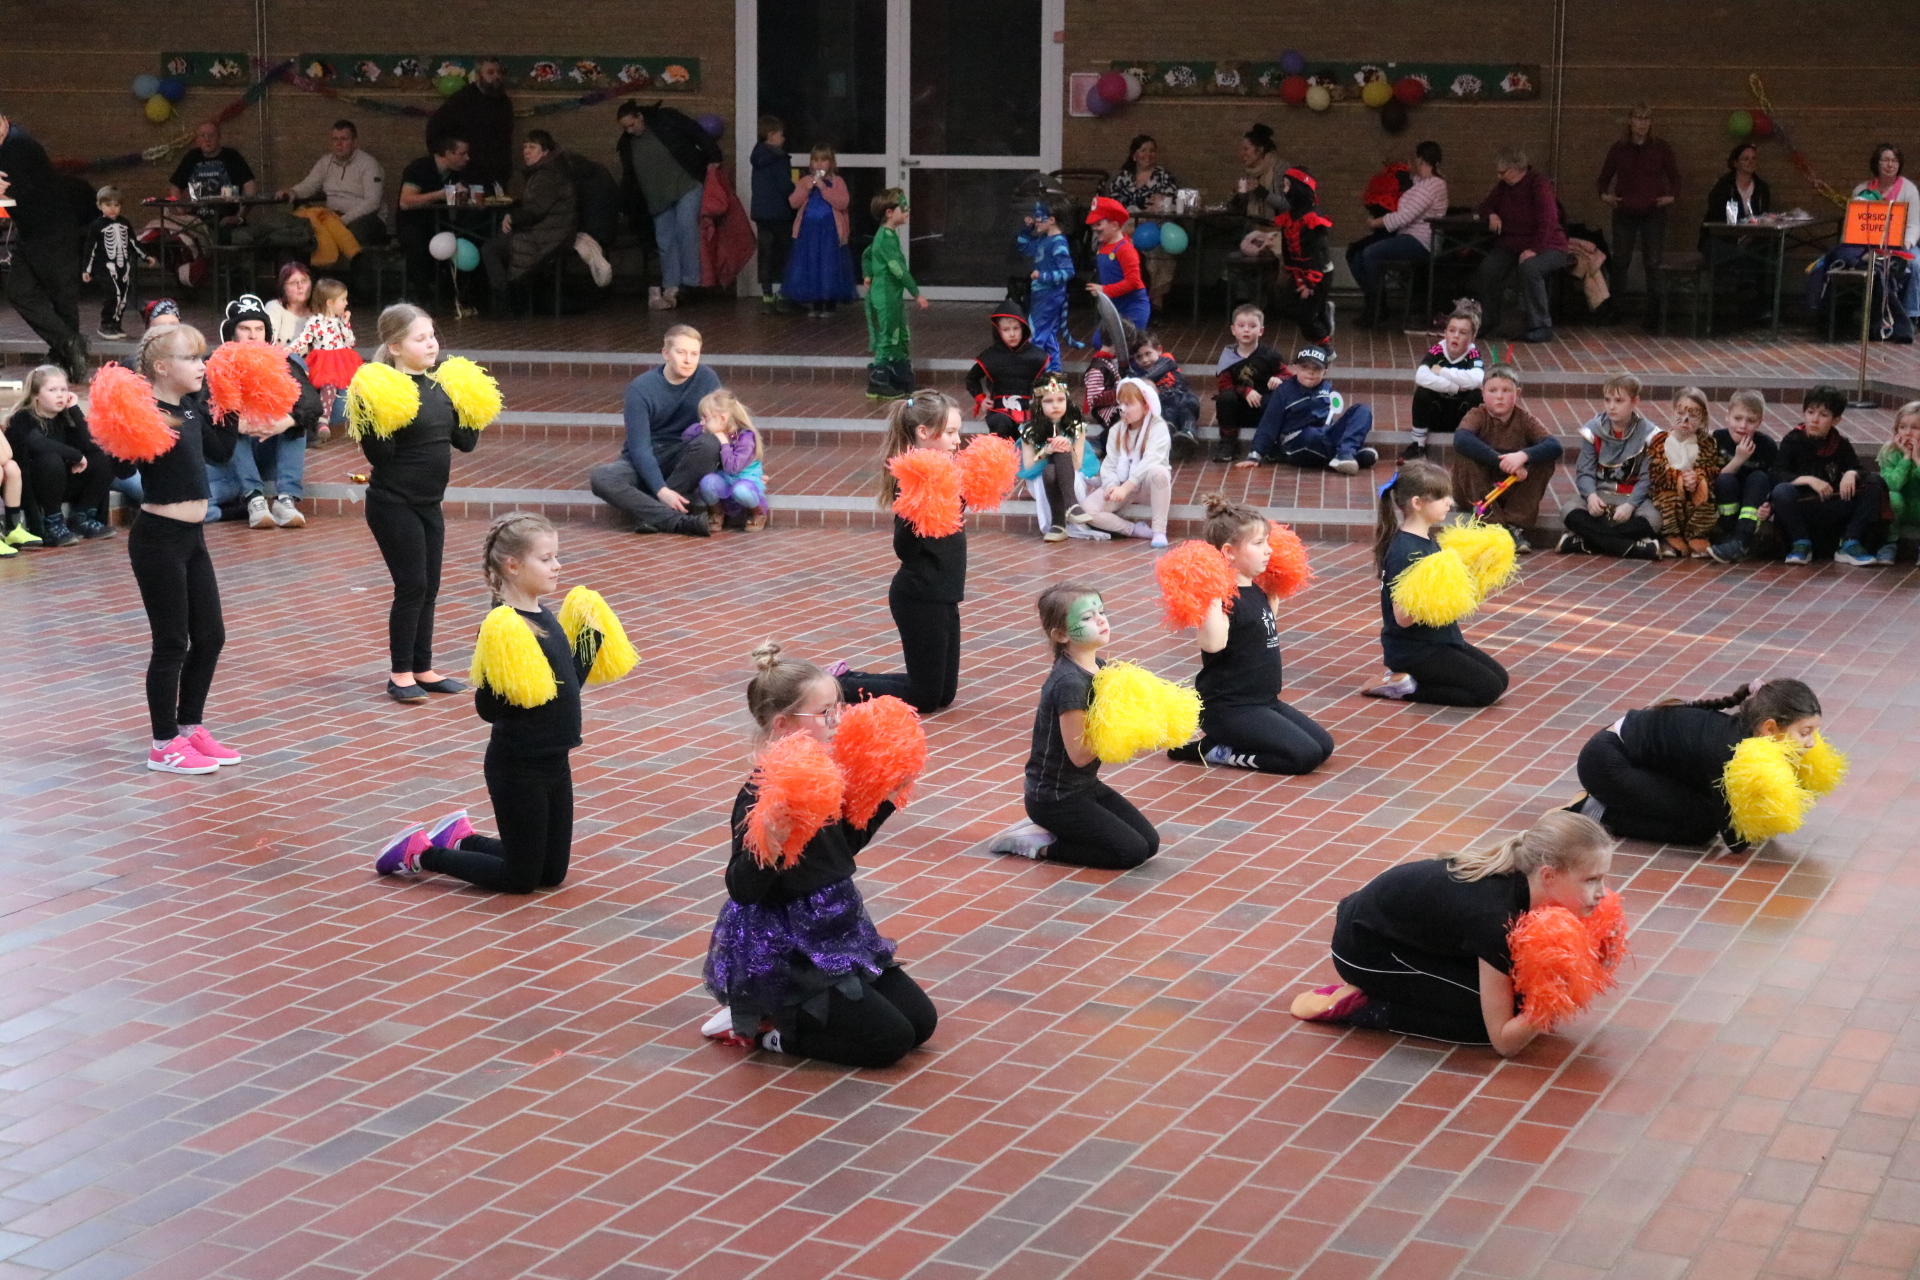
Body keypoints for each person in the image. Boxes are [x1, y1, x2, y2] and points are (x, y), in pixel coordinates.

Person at [699, 642, 938, 1067]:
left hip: (837, 925)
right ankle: (766, 1031)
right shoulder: (762, 793)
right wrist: (768, 846)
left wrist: (881, 799)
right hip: (789, 946)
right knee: (889, 1043)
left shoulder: (822, 775)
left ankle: (788, 1018)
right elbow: (742, 889)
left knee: (922, 1023)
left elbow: (839, 852)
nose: (837, 720)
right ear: (783, 725)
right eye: (825, 713)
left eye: (838, 708)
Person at [375, 513, 626, 893]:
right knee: (520, 878)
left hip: (555, 759)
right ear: (513, 564)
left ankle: (461, 837)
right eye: (546, 559)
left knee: (551, 874)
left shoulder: (543, 616)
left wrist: (590, 639)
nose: (557, 566)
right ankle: (421, 853)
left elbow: (566, 686)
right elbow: (488, 710)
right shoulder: (502, 626)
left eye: (556, 556)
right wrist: (509, 683)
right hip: (517, 765)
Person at [1289, 811, 1615, 1054]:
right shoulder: (1497, 919)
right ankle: (1367, 1007)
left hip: (1408, 933)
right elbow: (1505, 1042)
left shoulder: (1529, 887)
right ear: (1549, 876)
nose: (1602, 893)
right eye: (1591, 880)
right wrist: (1555, 994)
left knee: (1516, 1001)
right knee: (1485, 1026)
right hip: (1365, 949)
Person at [104, 326, 267, 772]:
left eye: (202, 358)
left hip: (194, 539)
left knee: (211, 636)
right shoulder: (147, 412)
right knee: (172, 641)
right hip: (157, 539)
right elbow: (116, 463)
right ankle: (162, 744)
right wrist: (120, 424)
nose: (201, 366)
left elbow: (219, 453)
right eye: (191, 359)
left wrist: (231, 404)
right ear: (161, 367)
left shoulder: (191, 409)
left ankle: (188, 728)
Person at [350, 304, 490, 702]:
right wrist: (373, 409)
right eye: (420, 338)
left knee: (430, 587)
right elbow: (380, 456)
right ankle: (399, 674)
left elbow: (465, 442)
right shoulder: (383, 388)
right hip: (392, 502)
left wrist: (473, 401)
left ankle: (423, 667)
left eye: (432, 335)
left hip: (429, 503)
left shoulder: (440, 387)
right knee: (411, 585)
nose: (431, 343)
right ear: (394, 346)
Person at [990, 583, 1161, 869]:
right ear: (1061, 634)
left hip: (1084, 787)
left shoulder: (1101, 669)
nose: (1100, 620)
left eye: (1101, 611)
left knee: (1149, 844)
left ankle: (1056, 832)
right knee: (1129, 852)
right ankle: (1038, 846)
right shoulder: (1070, 683)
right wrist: (1122, 726)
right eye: (1086, 617)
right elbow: (1080, 754)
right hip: (1054, 799)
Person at [1167, 496, 1334, 774]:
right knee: (1303, 757)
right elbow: (1212, 643)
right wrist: (1209, 586)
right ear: (1229, 552)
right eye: (1258, 544)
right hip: (1228, 710)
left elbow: (1262, 624)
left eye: (1268, 542)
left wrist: (1282, 573)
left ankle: (1223, 744)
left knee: (1323, 746)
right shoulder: (1220, 599)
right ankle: (1213, 750)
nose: (1268, 550)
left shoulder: (1257, 589)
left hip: (1264, 702)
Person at [1571, 678, 1826, 849]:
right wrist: (1778, 805)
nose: (1812, 743)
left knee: (1704, 803)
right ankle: (1595, 809)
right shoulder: (1731, 754)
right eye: (1804, 733)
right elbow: (1735, 840)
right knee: (1702, 826)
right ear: (1769, 729)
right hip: (1605, 764)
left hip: (1637, 759)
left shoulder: (1749, 738)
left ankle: (1619, 799)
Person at [837, 391, 968, 714]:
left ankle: (849, 677)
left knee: (942, 695)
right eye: (950, 433)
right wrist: (915, 511)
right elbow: (904, 550)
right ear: (924, 433)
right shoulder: (912, 481)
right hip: (920, 597)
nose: (958, 440)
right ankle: (838, 686)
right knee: (924, 698)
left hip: (945, 594)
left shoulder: (945, 475)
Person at [1365, 460, 1510, 707]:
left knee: (1500, 679)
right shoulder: (1405, 550)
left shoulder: (1426, 538)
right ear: (1417, 503)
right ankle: (1401, 688)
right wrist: (1437, 591)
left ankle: (1409, 680)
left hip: (1441, 639)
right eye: (1441, 497)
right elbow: (1402, 617)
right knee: (1486, 690)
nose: (1449, 503)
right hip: (1415, 650)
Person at [588, 325, 723, 537]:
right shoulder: (641, 389)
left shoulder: (707, 378)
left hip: (686, 455)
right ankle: (677, 521)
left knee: (709, 443)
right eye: (681, 352)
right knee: (601, 478)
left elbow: (727, 423)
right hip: (647, 457)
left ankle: (653, 516)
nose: (688, 360)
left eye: (694, 354)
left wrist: (746, 464)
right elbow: (639, 447)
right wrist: (661, 490)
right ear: (666, 354)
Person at [202, 295, 321, 530]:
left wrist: (285, 421)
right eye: (245, 328)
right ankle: (254, 498)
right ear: (232, 333)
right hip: (226, 455)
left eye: (259, 329)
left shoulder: (284, 362)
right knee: (231, 420)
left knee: (294, 421)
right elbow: (199, 407)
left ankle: (286, 499)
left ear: (267, 334)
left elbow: (312, 403)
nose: (253, 335)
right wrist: (235, 423)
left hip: (267, 447)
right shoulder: (213, 363)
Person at [0, 115, 91, 380]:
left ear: (4, 120)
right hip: (30, 231)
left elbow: (10, 191)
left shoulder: (18, 145)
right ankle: (68, 344)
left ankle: (69, 358)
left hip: (53, 228)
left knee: (61, 294)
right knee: (20, 291)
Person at [614, 100, 720, 310]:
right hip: (657, 196)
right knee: (665, 240)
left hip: (686, 184)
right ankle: (671, 285)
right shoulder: (627, 144)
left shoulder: (666, 120)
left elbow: (695, 131)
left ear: (640, 116)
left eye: (632, 124)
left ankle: (690, 282)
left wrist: (714, 155)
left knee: (686, 228)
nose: (630, 130)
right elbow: (630, 176)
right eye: (625, 127)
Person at [1770, 384, 1887, 567]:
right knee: (1781, 491)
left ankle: (1850, 542)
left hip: (1832, 503)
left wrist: (1851, 473)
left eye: (1823, 415)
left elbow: (1860, 469)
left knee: (1874, 483)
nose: (1814, 420)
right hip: (1804, 505)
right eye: (1810, 412)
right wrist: (1809, 480)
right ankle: (1800, 543)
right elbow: (1777, 474)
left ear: (1836, 420)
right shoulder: (1793, 440)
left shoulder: (1840, 444)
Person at [1448, 365, 1560, 551]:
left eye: (1506, 390)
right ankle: (1494, 525)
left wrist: (1524, 455)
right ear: (1483, 393)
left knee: (1544, 460)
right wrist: (1503, 463)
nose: (1499, 396)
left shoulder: (1525, 420)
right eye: (1493, 391)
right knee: (1465, 456)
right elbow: (1461, 439)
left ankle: (1515, 525)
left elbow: (1554, 446)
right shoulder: (1477, 415)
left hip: (1509, 491)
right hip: (1476, 491)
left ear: (1517, 393)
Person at [5, 364, 112, 546]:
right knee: (50, 459)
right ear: (35, 394)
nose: (60, 395)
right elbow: (37, 443)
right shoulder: (22, 418)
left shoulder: (63, 418)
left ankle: (82, 516)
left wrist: (75, 410)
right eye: (52, 390)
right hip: (31, 488)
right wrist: (75, 455)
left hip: (60, 485)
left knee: (105, 457)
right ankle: (52, 522)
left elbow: (92, 446)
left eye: (64, 389)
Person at [1558, 373, 1660, 560]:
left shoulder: (1649, 434)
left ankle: (1584, 542)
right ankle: (1632, 547)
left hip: (1632, 496)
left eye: (1619, 401)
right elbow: (1585, 471)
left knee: (1653, 519)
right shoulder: (1593, 429)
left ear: (1634, 401)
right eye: (1607, 400)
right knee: (1569, 512)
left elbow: (1647, 478)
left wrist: (1630, 505)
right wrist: (1590, 496)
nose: (1611, 406)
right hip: (1600, 493)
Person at [1473, 147, 1571, 344]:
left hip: (1549, 245)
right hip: (1512, 243)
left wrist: (1535, 249)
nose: (1499, 176)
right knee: (1489, 269)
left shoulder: (1538, 185)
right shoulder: (1504, 186)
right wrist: (1491, 214)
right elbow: (1485, 206)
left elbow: (1549, 221)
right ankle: (1489, 320)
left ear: (1517, 169)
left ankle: (1541, 325)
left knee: (1530, 269)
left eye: (1503, 172)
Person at [1348, 141, 1448, 329]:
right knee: (1360, 254)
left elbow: (1404, 216)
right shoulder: (1421, 182)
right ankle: (1375, 304)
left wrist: (1376, 222)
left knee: (1370, 253)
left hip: (1421, 240)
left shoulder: (1433, 185)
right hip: (1407, 236)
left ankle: (1377, 307)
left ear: (1420, 159)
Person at [1235, 343, 1378, 474]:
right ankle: (1346, 456)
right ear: (1295, 369)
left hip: (1323, 435)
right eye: (1305, 367)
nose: (1310, 372)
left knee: (1362, 410)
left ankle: (1345, 454)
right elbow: (1269, 423)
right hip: (1297, 441)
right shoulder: (1284, 391)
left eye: (1316, 369)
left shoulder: (1326, 388)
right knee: (1311, 435)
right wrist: (1255, 455)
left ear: (1325, 371)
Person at [481, 131, 577, 314]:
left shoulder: (547, 175)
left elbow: (534, 210)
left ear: (545, 152)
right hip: (555, 230)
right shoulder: (551, 170)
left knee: (490, 248)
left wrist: (512, 217)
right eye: (525, 147)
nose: (526, 152)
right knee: (501, 243)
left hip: (549, 235)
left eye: (532, 147)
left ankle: (503, 303)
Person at [1597, 105, 1680, 310]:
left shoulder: (1661, 148)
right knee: (1620, 261)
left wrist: (1672, 197)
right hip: (1625, 211)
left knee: (1652, 262)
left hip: (1654, 211)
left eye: (1646, 119)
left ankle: (1654, 312)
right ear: (1630, 121)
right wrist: (1605, 196)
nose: (1642, 123)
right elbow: (1603, 179)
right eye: (1638, 118)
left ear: (1651, 122)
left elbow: (1675, 178)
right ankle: (1615, 309)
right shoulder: (1619, 149)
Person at [1072, 378, 1172, 547]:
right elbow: (1110, 464)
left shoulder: (1158, 427)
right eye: (1120, 404)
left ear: (1146, 406)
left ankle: (1159, 531)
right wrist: (1111, 485)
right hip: (1121, 484)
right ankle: (1133, 529)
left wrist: (1125, 488)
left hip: (1146, 486)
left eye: (1129, 404)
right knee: (1087, 510)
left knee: (1160, 472)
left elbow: (1150, 461)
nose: (1122, 409)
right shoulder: (1116, 430)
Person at [278, 119, 388, 248]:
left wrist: (343, 220)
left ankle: (356, 266)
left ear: (354, 142)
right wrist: (293, 192)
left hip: (366, 218)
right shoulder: (325, 162)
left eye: (344, 139)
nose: (339, 144)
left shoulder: (369, 164)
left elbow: (372, 202)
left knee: (354, 236)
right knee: (299, 229)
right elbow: (309, 184)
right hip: (333, 216)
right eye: (335, 139)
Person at [1019, 372, 1100, 542]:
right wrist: (1047, 451)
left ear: (1067, 401)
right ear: (1038, 404)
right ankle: (1072, 505)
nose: (1055, 405)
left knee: (1054, 465)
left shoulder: (1076, 427)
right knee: (1049, 467)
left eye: (1060, 400)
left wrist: (1068, 448)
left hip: (1072, 476)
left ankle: (1058, 523)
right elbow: (1028, 466)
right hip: (1038, 479)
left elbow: (1077, 467)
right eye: (1048, 401)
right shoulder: (1029, 430)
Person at [861, 188, 925, 400]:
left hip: (891, 294)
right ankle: (878, 380)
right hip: (886, 294)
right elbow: (898, 269)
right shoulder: (885, 239)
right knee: (887, 334)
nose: (907, 211)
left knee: (900, 333)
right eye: (903, 208)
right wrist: (915, 293)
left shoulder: (887, 235)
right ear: (889, 212)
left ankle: (900, 374)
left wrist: (868, 274)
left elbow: (867, 254)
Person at [1852, 144, 1920, 341]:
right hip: (1870, 246)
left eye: (1894, 161)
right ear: (1877, 163)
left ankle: (1910, 316)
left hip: (1902, 244)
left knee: (1915, 265)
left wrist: (1907, 243)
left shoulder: (1909, 190)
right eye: (1885, 160)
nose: (1890, 165)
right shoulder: (1861, 190)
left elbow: (1914, 224)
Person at [1647, 388, 1726, 558]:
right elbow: (1655, 471)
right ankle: (1671, 537)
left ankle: (1697, 536)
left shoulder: (1708, 443)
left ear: (1702, 418)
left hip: (1695, 488)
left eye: (1693, 415)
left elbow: (1714, 468)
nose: (1685, 419)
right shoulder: (1660, 441)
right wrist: (1680, 480)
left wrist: (1698, 478)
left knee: (1705, 500)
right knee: (1668, 499)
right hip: (1667, 490)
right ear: (1673, 411)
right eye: (1681, 413)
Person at [1706, 389, 1781, 565]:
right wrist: (1739, 459)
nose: (1743, 426)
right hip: (1725, 499)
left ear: (1760, 422)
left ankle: (1741, 540)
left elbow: (1774, 481)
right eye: (1737, 418)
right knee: (1726, 479)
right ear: (1728, 417)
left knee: (1759, 477)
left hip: (1752, 502)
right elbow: (1712, 478)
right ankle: (1728, 535)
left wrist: (1768, 506)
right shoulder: (1717, 439)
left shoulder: (1767, 446)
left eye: (1751, 421)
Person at [1699, 143, 1773, 316]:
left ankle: (1757, 301)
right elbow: (1716, 213)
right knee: (1745, 257)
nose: (1750, 162)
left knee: (1766, 253)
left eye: (1753, 158)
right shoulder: (1724, 186)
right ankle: (1749, 294)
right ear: (1735, 163)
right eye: (1745, 159)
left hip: (1750, 238)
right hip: (1720, 238)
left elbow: (1762, 214)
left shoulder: (1762, 188)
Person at [1106, 136, 1179, 311]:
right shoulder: (1123, 177)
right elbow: (1114, 203)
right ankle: (1124, 298)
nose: (1148, 154)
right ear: (1134, 155)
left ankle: (1156, 301)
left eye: (1152, 150)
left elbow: (1172, 198)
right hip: (1129, 222)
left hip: (1154, 222)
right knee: (1122, 247)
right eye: (1143, 150)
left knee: (1160, 249)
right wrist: (1140, 203)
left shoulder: (1162, 175)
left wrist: (1162, 201)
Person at [1406, 299, 1485, 459]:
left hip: (1461, 418)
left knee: (1476, 394)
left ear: (1472, 337)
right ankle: (1418, 445)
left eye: (1462, 333)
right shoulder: (1437, 350)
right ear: (1445, 332)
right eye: (1451, 330)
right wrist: (1456, 387)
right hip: (1438, 413)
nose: (1455, 336)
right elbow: (1421, 377)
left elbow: (1477, 379)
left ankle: (1470, 445)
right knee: (1422, 393)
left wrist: (1442, 371)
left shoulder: (1473, 354)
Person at [783, 145, 855, 316]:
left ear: (831, 162)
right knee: (811, 264)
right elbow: (793, 202)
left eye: (823, 160)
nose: (819, 164)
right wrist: (806, 189)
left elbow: (842, 203)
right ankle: (815, 303)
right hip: (809, 232)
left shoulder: (838, 182)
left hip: (830, 232)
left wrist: (824, 188)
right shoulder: (805, 181)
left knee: (829, 265)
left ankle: (829, 303)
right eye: (815, 160)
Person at [685, 389, 768, 534]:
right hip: (724, 476)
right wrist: (702, 428)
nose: (702, 421)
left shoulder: (745, 437)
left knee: (741, 491)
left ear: (722, 419)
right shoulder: (713, 429)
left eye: (706, 418)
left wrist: (724, 443)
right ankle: (716, 512)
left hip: (744, 476)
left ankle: (758, 512)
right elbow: (686, 437)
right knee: (706, 483)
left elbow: (732, 467)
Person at [396, 135, 472, 291]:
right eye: (462, 153)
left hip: (440, 223)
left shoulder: (456, 174)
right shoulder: (420, 168)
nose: (467, 158)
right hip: (413, 223)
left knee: (465, 236)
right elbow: (405, 202)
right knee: (418, 244)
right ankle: (423, 296)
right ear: (449, 153)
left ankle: (457, 294)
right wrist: (440, 195)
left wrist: (462, 196)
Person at [426, 58, 514, 193]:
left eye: (498, 72)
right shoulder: (461, 100)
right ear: (479, 76)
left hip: (496, 172)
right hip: (468, 172)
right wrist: (447, 159)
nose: (496, 76)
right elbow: (435, 128)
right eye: (490, 72)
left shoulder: (503, 102)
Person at [1270, 167, 1336, 344]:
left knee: (1306, 317)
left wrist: (1310, 281)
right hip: (1300, 271)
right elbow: (1287, 247)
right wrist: (1290, 270)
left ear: (1298, 188)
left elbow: (1318, 253)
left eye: (1287, 186)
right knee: (1288, 306)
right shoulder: (1289, 217)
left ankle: (1326, 348)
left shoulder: (1313, 218)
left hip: (1318, 272)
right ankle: (1322, 314)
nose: (1284, 191)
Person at [1212, 304, 1285, 464]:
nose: (1246, 330)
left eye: (1252, 326)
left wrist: (1280, 379)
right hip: (1238, 410)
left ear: (1261, 330)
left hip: (1262, 410)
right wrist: (1245, 390)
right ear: (1233, 330)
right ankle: (1228, 442)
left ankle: (1270, 443)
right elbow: (1224, 385)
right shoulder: (1227, 356)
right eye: (1241, 326)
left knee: (1274, 398)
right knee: (1225, 398)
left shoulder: (1270, 355)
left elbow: (1288, 375)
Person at [290, 278, 361, 434]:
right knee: (328, 386)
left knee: (356, 387)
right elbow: (304, 338)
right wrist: (289, 349)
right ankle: (323, 421)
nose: (346, 303)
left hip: (343, 360)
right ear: (330, 303)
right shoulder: (315, 322)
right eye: (342, 300)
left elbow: (350, 342)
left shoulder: (339, 321)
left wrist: (346, 324)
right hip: (325, 361)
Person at [967, 313, 1049, 440]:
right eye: (1006, 330)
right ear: (998, 331)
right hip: (999, 409)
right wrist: (981, 399)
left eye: (1016, 328)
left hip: (1028, 408)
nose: (1012, 334)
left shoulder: (1037, 356)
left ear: (1024, 328)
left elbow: (1046, 383)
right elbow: (972, 378)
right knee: (1001, 424)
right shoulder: (991, 355)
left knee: (1033, 430)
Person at [82, 186, 148, 341]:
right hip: (104, 267)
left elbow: (133, 242)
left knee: (123, 297)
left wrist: (145, 256)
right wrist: (87, 269)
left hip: (123, 267)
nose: (112, 209)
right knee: (113, 294)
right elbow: (90, 248)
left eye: (116, 205)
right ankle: (106, 324)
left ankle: (116, 324)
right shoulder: (97, 225)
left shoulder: (124, 223)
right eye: (108, 205)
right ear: (100, 206)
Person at [1017, 202, 1075, 372]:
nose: (1036, 222)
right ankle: (1053, 373)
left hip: (1049, 295)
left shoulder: (1058, 243)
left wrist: (1043, 276)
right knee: (1048, 336)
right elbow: (1023, 246)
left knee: (1035, 335)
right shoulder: (1043, 239)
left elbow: (1068, 272)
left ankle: (1036, 373)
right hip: (1041, 295)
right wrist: (1027, 229)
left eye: (1039, 219)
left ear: (1051, 220)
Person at [1085, 196, 1150, 345]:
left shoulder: (1125, 249)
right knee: (1099, 342)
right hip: (1114, 306)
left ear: (1114, 225)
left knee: (1128, 346)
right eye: (1093, 225)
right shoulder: (1103, 246)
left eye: (1099, 224)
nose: (1095, 229)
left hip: (1133, 307)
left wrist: (1105, 289)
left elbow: (1133, 282)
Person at [1128, 331, 1200, 461]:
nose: (1144, 360)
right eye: (1139, 357)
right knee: (1166, 412)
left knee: (1187, 407)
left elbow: (1153, 374)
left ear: (1159, 350)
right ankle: (1171, 435)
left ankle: (1188, 432)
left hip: (1182, 396)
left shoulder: (1166, 359)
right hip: (1165, 403)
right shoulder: (1139, 373)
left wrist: (1140, 381)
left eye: (1148, 354)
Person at [750, 116, 795, 308]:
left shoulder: (757, 156)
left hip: (761, 212)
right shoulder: (779, 158)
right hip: (779, 212)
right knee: (785, 252)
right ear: (771, 135)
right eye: (781, 135)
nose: (783, 139)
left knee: (765, 253)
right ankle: (784, 292)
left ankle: (766, 293)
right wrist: (799, 193)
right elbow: (785, 186)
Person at [165, 120, 258, 205]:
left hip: (227, 215)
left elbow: (250, 186)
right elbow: (175, 187)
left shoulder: (231, 156)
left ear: (219, 138)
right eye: (202, 136)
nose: (207, 139)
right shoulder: (192, 157)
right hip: (196, 217)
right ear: (197, 140)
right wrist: (180, 209)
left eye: (211, 135)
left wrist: (239, 216)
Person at [1873, 401, 1920, 563]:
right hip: (1900, 509)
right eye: (1902, 427)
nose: (1908, 433)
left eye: (1915, 428)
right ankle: (1889, 543)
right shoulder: (1889, 451)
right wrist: (1906, 459)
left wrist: (1917, 460)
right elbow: (1891, 485)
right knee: (1892, 497)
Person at [1230, 123, 1284, 220]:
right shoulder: (1249, 173)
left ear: (1260, 150)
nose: (1242, 154)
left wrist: (1261, 191)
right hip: (1253, 226)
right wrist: (1240, 195)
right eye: (1241, 149)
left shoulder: (1280, 170)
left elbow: (1288, 205)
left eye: (1246, 149)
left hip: (1277, 227)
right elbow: (1235, 210)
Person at [264, 261, 314, 349]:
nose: (300, 286)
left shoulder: (319, 311)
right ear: (283, 287)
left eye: (304, 281)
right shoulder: (274, 308)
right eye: (293, 283)